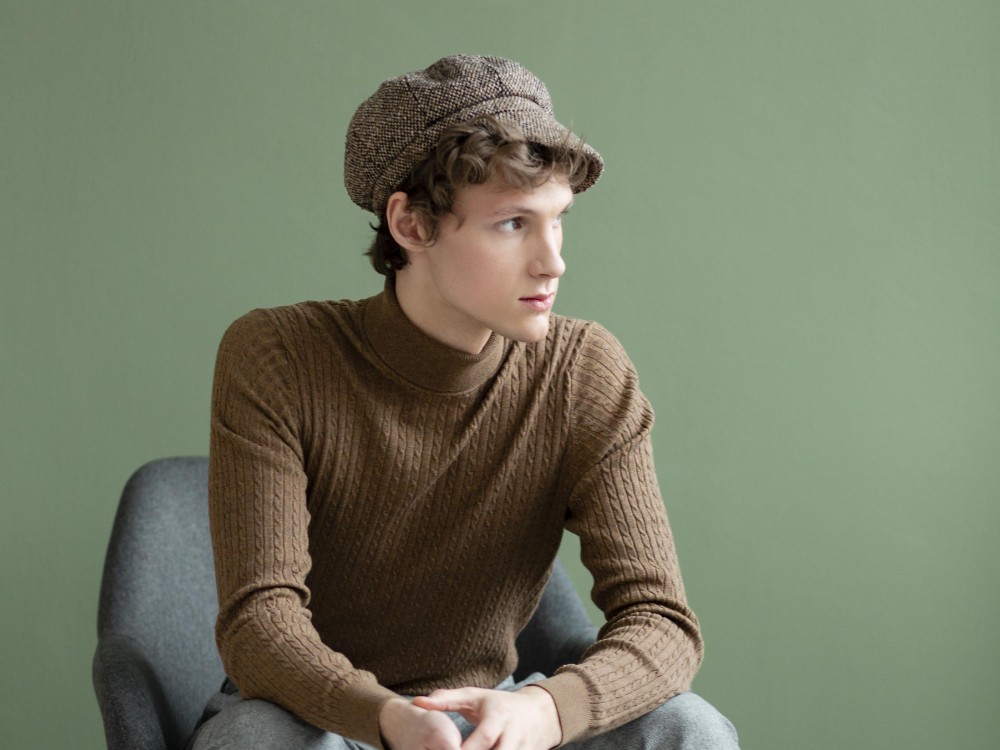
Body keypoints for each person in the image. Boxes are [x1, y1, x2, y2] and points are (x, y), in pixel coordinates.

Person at [187, 54, 739, 750]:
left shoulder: (583, 370)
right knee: (253, 744)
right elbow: (258, 623)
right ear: (411, 225)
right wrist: (386, 718)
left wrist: (546, 710)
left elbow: (662, 620)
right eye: (512, 224)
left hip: (492, 717)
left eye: (558, 219)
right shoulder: (278, 356)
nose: (553, 260)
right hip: (316, 717)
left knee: (690, 728)